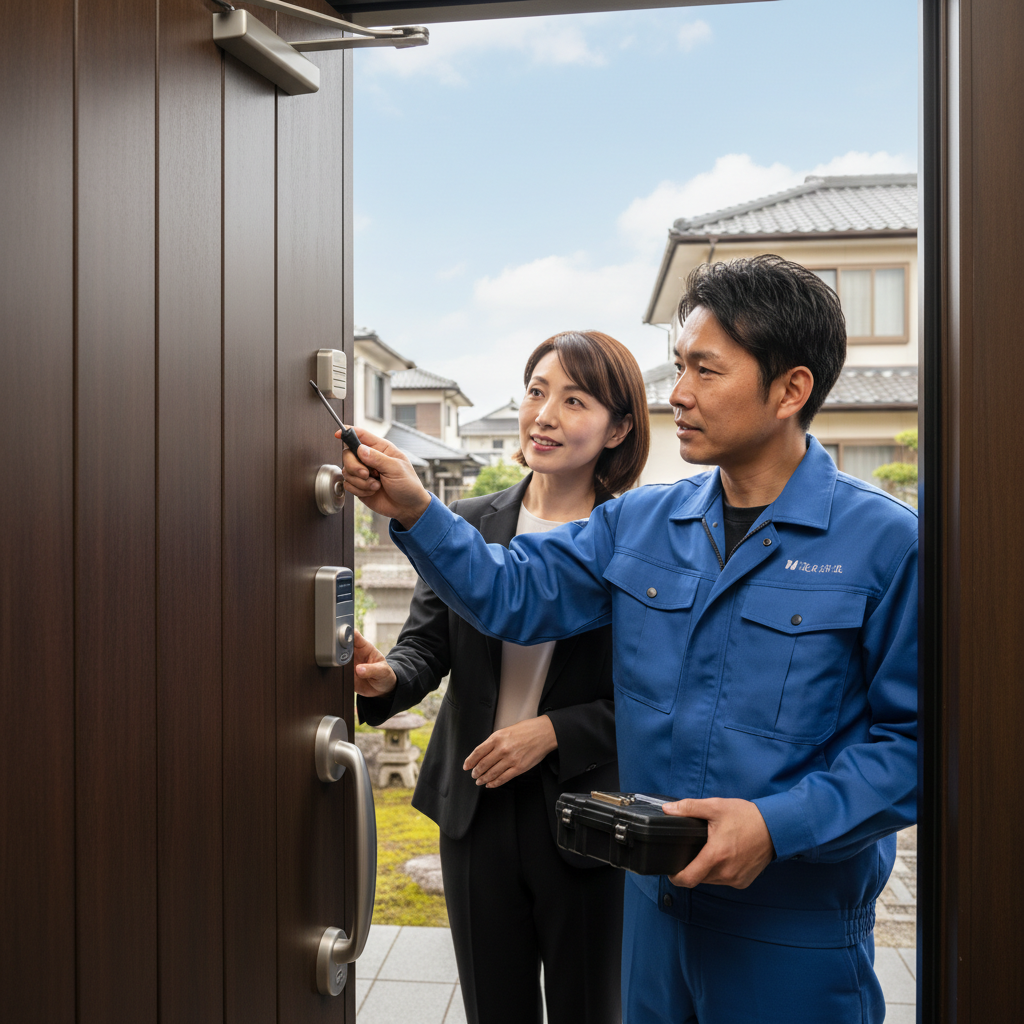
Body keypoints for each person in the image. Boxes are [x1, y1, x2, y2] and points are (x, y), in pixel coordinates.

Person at [341, 255, 917, 1024]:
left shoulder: (886, 544)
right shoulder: (642, 523)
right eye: (680, 367)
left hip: (791, 930)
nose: (677, 393)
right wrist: (416, 510)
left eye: (706, 371)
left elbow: (916, 747)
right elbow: (510, 594)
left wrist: (776, 828)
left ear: (790, 390)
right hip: (651, 911)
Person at [351, 331, 651, 1024]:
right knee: (493, 1008)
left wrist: (555, 731)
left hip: (586, 809)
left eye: (574, 400)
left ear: (619, 428)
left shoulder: (636, 540)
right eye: (536, 392)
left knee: (590, 1008)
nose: (543, 414)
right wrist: (387, 678)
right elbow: (426, 647)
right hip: (476, 802)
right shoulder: (468, 523)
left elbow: (654, 693)